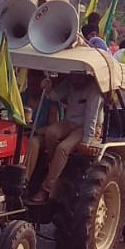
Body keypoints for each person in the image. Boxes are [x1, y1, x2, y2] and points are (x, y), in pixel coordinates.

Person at [24, 71, 104, 203]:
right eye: (73, 76)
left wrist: (87, 140)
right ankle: (52, 167)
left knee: (63, 148)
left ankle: (46, 188)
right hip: (69, 122)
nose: (75, 80)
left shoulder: (94, 91)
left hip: (86, 126)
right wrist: (48, 88)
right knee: (51, 132)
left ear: (85, 75)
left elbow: (92, 117)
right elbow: (54, 96)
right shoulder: (70, 83)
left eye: (78, 76)